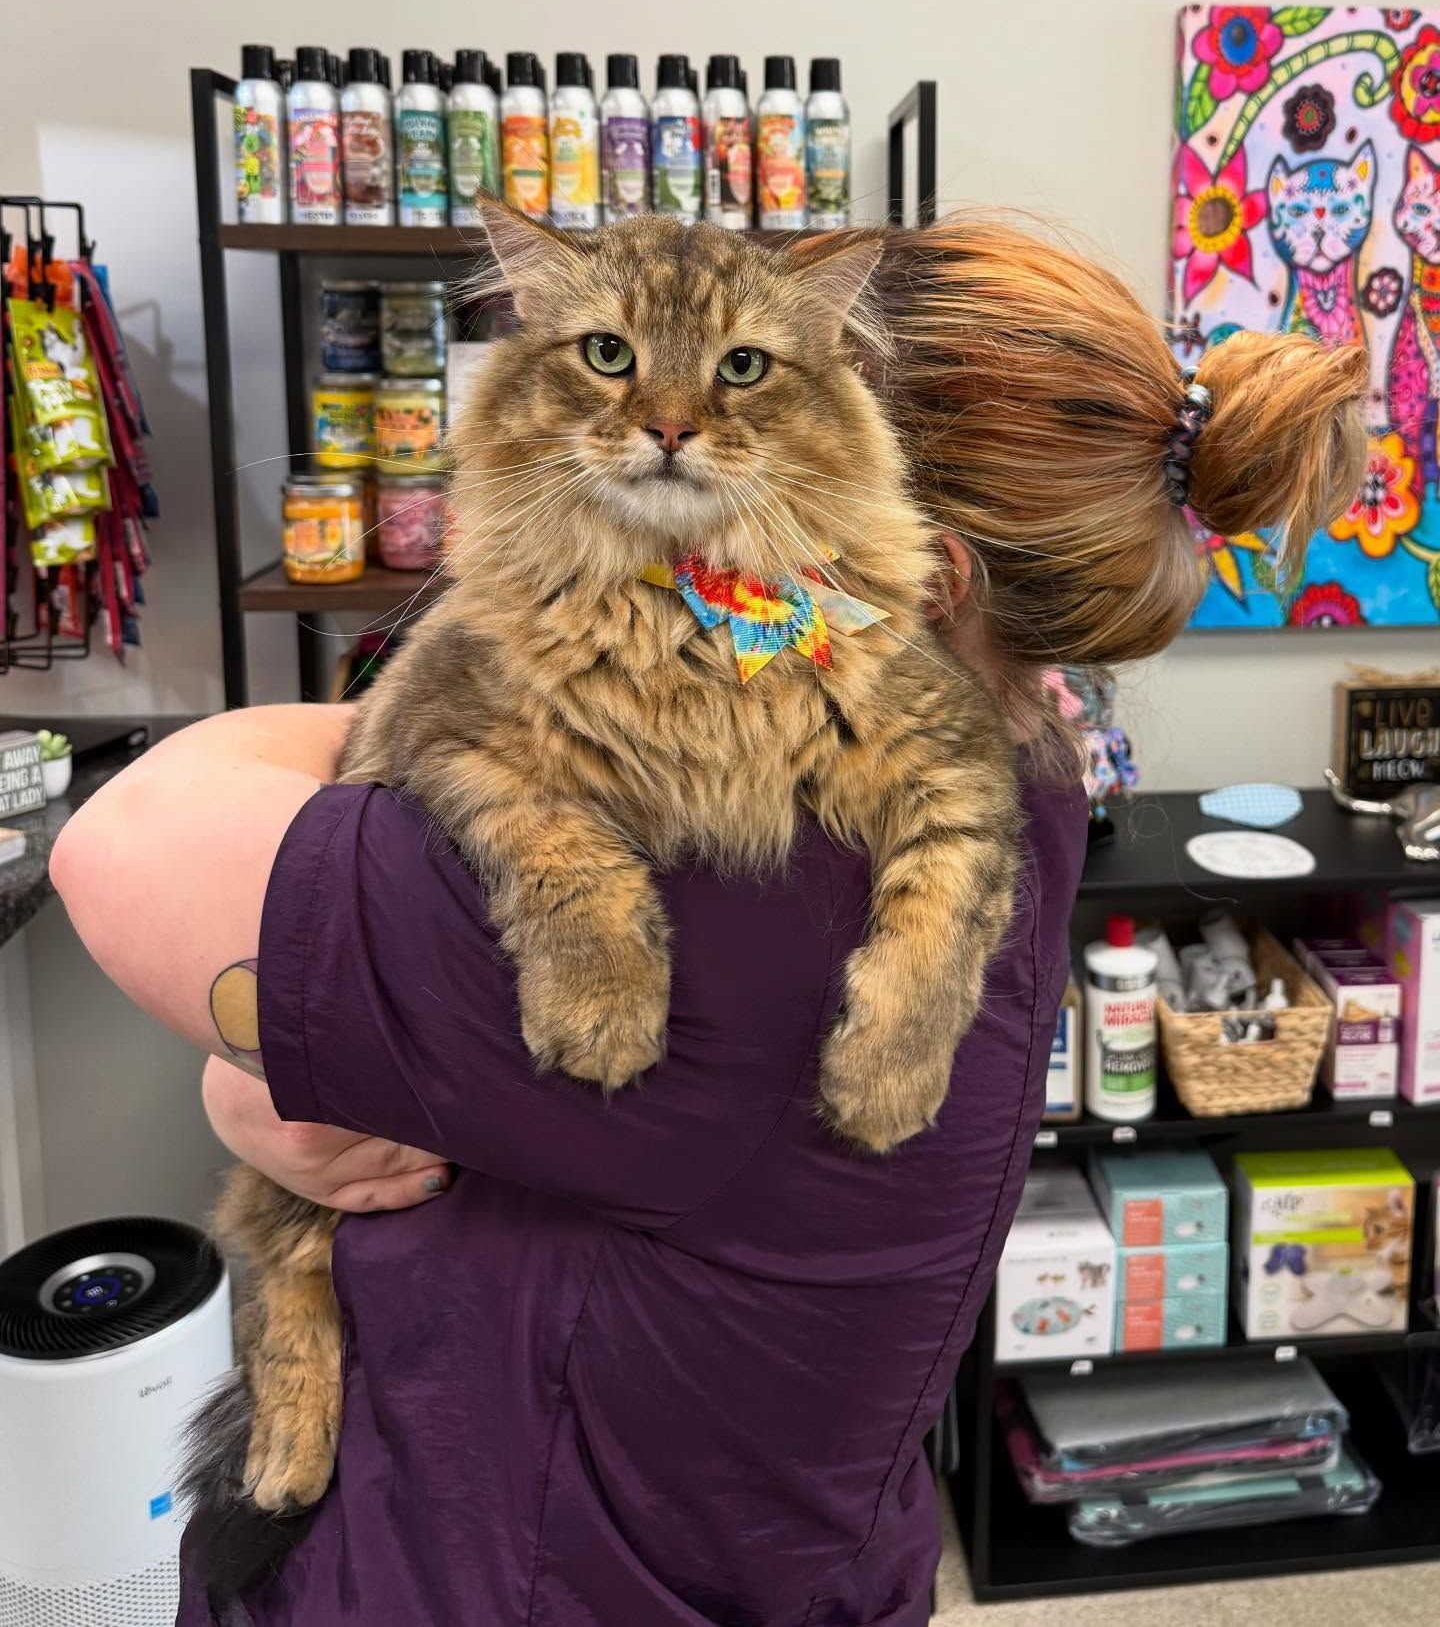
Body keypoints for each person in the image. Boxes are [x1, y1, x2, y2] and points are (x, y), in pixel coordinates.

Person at [51, 221, 1364, 1627]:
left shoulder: (755, 886)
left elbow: (124, 846)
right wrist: (287, 1046)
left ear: (920, 568)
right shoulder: (1011, 773)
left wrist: (261, 1038)